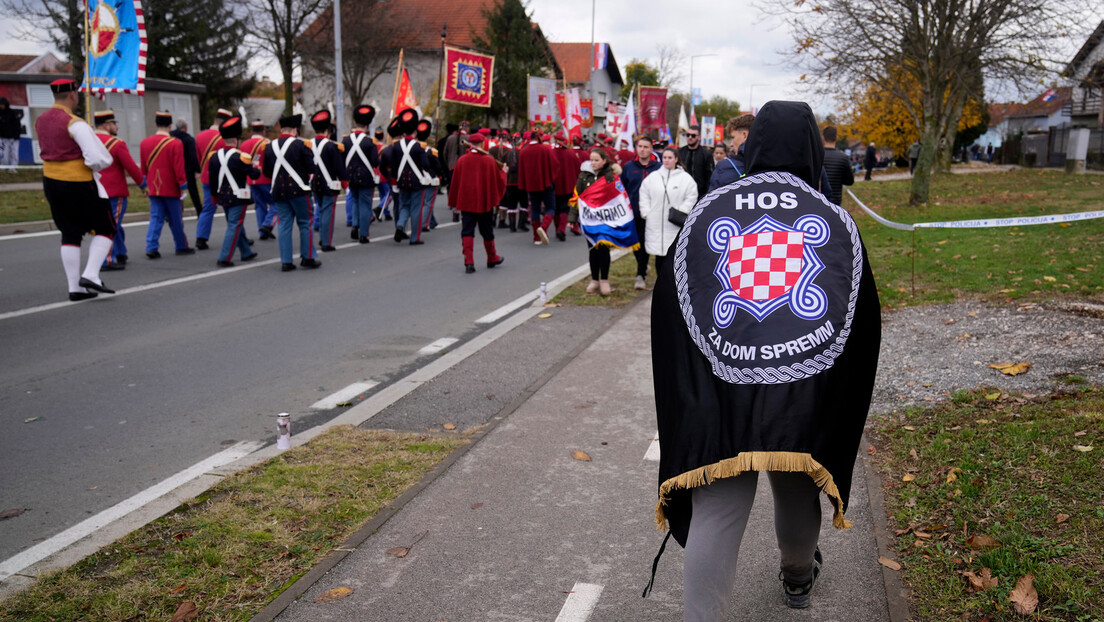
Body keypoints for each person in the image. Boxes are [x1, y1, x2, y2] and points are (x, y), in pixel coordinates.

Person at [647, 100, 882, 620]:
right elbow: (858, 316)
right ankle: (798, 578)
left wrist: (690, 387)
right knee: (797, 485)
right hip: (802, 386)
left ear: (750, 149)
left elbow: (672, 305)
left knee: (718, 507)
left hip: (718, 387)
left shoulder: (710, 210)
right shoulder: (834, 220)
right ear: (810, 149)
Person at [35, 78, 118, 301]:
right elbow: (95, 158)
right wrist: (100, 164)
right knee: (106, 228)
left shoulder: (40, 120)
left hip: (51, 181)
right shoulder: (75, 123)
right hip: (79, 182)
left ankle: (75, 288)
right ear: (73, 95)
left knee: (70, 232)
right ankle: (91, 274)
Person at [263, 113, 320, 271]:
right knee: (305, 223)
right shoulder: (301, 145)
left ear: (282, 130)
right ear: (295, 130)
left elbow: (267, 172)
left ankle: (286, 261)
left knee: (284, 225)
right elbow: (311, 168)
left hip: (278, 191)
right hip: (299, 190)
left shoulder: (269, 147)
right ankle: (308, 257)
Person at [448, 132, 506, 274]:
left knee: (467, 230)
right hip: (484, 202)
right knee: (487, 231)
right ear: (481, 144)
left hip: (467, 202)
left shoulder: (462, 160)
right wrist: (504, 173)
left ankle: (469, 262)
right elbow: (496, 181)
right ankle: (491, 257)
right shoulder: (488, 160)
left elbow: (455, 182)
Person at [94, 109, 144, 270]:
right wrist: (144, 184)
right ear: (107, 125)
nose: (117, 127)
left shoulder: (89, 141)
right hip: (115, 192)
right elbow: (131, 167)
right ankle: (106, 259)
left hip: (94, 190)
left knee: (112, 223)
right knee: (111, 225)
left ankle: (121, 251)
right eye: (114, 123)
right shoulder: (117, 144)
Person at [207, 115, 260, 267]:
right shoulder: (240, 157)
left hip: (223, 195)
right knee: (234, 225)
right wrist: (256, 166)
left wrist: (214, 197)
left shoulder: (214, 157)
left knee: (235, 223)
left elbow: (212, 180)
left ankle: (246, 252)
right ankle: (224, 257)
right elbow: (254, 174)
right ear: (236, 139)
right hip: (238, 196)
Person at [141, 111, 195, 259]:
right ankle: (181, 245)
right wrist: (183, 186)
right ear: (170, 125)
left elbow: (144, 168)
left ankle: (151, 246)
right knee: (176, 218)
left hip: (153, 186)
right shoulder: (175, 143)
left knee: (156, 217)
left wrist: (145, 184)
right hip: (171, 187)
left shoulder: (144, 143)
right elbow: (179, 168)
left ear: (155, 124)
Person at [575, 147, 628, 296]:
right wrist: (572, 218)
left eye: (596, 160)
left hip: (606, 220)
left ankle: (604, 280)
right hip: (589, 220)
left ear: (604, 161)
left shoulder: (611, 177)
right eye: (591, 160)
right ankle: (594, 279)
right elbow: (577, 197)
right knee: (593, 250)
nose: (593, 163)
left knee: (604, 249)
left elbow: (619, 197)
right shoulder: (584, 177)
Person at [639, 146, 697, 274]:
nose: (666, 160)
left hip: (674, 225)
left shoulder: (685, 179)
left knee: (672, 257)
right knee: (659, 258)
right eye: (664, 157)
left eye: (670, 158)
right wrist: (646, 212)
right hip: (655, 224)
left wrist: (680, 211)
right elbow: (644, 194)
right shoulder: (653, 177)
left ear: (676, 159)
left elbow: (691, 197)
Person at [621, 136, 661, 289]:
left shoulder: (658, 167)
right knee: (635, 244)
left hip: (652, 212)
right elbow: (622, 188)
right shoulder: (629, 167)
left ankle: (640, 274)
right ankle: (642, 265)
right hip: (633, 212)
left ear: (651, 149)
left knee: (645, 244)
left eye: (646, 147)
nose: (643, 149)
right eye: (640, 146)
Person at [387, 108, 431, 245]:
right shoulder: (418, 147)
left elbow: (393, 167)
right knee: (416, 209)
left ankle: (400, 225)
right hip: (417, 182)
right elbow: (426, 165)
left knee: (404, 206)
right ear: (415, 130)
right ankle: (415, 238)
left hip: (401, 181)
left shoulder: (396, 146)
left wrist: (394, 182)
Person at [307, 109, 347, 253]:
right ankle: (326, 242)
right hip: (329, 183)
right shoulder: (331, 146)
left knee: (321, 209)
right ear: (327, 130)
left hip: (314, 183)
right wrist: (344, 182)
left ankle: (322, 237)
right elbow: (338, 167)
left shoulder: (308, 144)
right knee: (327, 213)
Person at [194, 108, 233, 249]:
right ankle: (239, 236)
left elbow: (198, 159)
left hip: (206, 177)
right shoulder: (226, 137)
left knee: (208, 208)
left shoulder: (200, 136)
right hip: (224, 177)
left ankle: (201, 237)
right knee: (232, 208)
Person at [343, 105, 380, 244]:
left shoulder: (345, 140)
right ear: (367, 124)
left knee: (355, 201)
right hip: (365, 176)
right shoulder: (370, 141)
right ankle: (364, 234)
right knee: (365, 204)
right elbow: (375, 162)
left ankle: (354, 226)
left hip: (351, 176)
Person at [518, 129, 558, 245]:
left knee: (535, 209)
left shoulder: (523, 151)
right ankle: (544, 227)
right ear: (539, 137)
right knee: (550, 208)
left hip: (531, 185)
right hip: (545, 183)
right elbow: (555, 164)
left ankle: (536, 238)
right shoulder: (546, 149)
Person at [240, 120, 275, 239]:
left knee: (260, 205)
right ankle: (267, 225)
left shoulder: (244, 144)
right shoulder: (266, 143)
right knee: (276, 203)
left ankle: (262, 232)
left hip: (251, 179)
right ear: (263, 131)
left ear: (252, 131)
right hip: (265, 179)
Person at [708, 113, 753, 192]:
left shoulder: (724, 167)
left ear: (745, 135)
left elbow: (712, 201)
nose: (731, 144)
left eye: (733, 137)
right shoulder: (772, 164)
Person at [550, 131, 580, 241]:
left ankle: (557, 229)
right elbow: (578, 170)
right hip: (567, 185)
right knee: (565, 208)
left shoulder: (551, 152)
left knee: (556, 208)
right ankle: (561, 229)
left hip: (554, 185)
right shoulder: (571, 153)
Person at [170, 119, 202, 216]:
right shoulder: (189, 139)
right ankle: (199, 211)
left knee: (174, 192)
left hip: (173, 169)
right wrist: (198, 169)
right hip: (187, 169)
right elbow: (193, 156)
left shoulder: (170, 136)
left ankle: (172, 214)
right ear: (185, 127)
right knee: (193, 191)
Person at [678, 124, 714, 198]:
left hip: (700, 194)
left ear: (699, 137)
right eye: (688, 135)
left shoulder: (706, 154)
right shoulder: (680, 152)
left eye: (693, 135)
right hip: (681, 192)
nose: (690, 137)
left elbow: (710, 176)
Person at [821, 126, 854, 206]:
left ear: (823, 138)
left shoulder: (817, 156)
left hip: (819, 199)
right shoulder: (843, 158)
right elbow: (849, 181)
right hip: (835, 200)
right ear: (836, 138)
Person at [0, 96, 24, 167]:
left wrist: (16, 136)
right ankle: (5, 167)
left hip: (14, 137)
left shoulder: (12, 113)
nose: (1, 106)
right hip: (4, 138)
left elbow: (17, 125)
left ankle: (13, 167)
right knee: (5, 153)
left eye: (2, 104)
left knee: (14, 153)